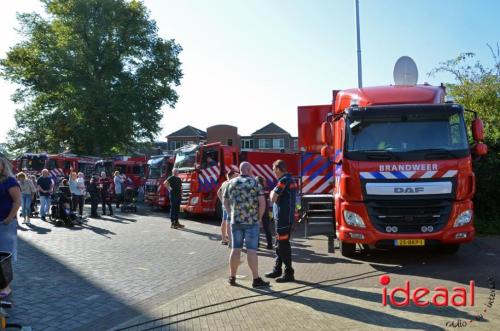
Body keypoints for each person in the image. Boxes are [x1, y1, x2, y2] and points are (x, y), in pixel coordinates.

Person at [224, 162, 269, 288]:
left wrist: (230, 214)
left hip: (235, 221)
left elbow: (225, 201)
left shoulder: (231, 183)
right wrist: (259, 219)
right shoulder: (255, 183)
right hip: (251, 222)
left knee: (235, 249)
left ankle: (232, 277)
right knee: (251, 250)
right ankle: (256, 279)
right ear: (249, 170)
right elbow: (262, 203)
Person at [265, 159, 297, 283]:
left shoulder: (283, 181)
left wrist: (272, 191)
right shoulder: (290, 180)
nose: (273, 173)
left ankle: (289, 272)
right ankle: (277, 269)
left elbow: (273, 198)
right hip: (284, 218)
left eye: (274, 170)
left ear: (278, 169)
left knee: (283, 246)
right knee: (279, 245)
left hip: (283, 219)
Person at [0, 154, 21, 299]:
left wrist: (8, 219)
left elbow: (17, 202)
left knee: (3, 256)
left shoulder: (10, 181)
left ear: (3, 166)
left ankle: (6, 286)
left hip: (4, 223)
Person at [217, 170, 238, 245]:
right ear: (232, 176)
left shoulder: (224, 183)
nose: (237, 176)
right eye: (236, 175)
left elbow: (218, 192)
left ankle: (223, 239)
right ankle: (230, 241)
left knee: (224, 221)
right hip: (230, 206)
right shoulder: (231, 183)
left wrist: (222, 201)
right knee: (229, 223)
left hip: (224, 205)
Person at [255, 176, 274, 250]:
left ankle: (257, 245)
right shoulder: (266, 188)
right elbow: (268, 198)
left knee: (257, 228)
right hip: (265, 209)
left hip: (257, 209)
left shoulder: (256, 188)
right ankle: (270, 245)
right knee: (267, 228)